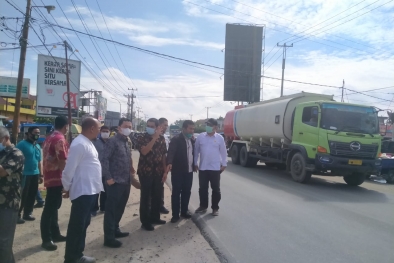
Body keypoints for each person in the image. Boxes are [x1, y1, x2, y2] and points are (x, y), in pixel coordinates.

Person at [62, 117, 103, 263]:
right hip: (82, 191)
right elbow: (69, 169)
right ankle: (71, 258)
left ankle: (78, 254)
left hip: (91, 190)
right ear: (91, 128)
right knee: (77, 225)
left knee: (84, 224)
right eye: (98, 128)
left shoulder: (88, 142)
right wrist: (66, 187)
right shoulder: (79, 144)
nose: (99, 131)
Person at [102, 118, 135, 248]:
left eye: (130, 126)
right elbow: (104, 160)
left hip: (125, 180)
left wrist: (130, 169)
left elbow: (126, 158)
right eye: (126, 126)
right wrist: (108, 177)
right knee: (111, 210)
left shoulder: (126, 142)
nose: (128, 129)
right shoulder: (112, 141)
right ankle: (109, 238)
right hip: (115, 182)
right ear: (119, 128)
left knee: (120, 208)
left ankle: (115, 229)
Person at [40, 116, 69, 251]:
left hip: (49, 176)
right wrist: (68, 179)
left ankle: (55, 233)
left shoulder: (49, 137)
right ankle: (46, 239)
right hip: (56, 177)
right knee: (50, 208)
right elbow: (63, 161)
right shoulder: (59, 139)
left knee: (54, 207)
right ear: (66, 126)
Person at [137, 118, 167, 231]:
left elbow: (164, 155)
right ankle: (145, 221)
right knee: (146, 198)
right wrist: (154, 138)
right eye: (148, 125)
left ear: (158, 127)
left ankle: (155, 217)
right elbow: (144, 151)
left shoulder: (162, 139)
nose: (149, 128)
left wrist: (165, 172)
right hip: (145, 172)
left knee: (157, 197)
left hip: (158, 172)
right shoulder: (141, 137)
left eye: (152, 126)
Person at [0, 127, 25, 263]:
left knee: (4, 242)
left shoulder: (16, 154)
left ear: (6, 139)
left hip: (9, 202)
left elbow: (2, 172)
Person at [194, 118, 227, 216]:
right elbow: (196, 151)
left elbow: (224, 152)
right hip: (203, 167)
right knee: (203, 188)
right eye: (207, 125)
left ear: (215, 127)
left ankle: (215, 208)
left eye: (210, 125)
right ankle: (203, 206)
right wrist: (195, 163)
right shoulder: (200, 137)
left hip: (215, 168)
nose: (207, 127)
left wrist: (224, 164)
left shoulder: (219, 138)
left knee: (216, 189)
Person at [166, 120, 195, 223]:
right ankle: (175, 215)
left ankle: (184, 211)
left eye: (193, 128)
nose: (192, 131)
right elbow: (171, 152)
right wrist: (169, 162)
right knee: (176, 192)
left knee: (187, 192)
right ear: (184, 128)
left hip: (189, 171)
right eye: (190, 128)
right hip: (178, 171)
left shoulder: (192, 140)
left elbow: (193, 154)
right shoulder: (176, 139)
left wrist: (195, 165)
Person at [16, 126, 43, 224]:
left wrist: (41, 175)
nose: (37, 135)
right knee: (23, 195)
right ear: (29, 133)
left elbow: (39, 161)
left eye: (38, 133)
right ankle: (17, 215)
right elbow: (15, 158)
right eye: (35, 132)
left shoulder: (37, 146)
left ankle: (27, 213)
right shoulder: (22, 144)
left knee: (32, 194)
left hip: (35, 173)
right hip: (25, 174)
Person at [91, 125, 110, 216]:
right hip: (96, 171)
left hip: (107, 171)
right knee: (95, 191)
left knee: (105, 191)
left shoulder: (111, 143)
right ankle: (94, 209)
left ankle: (103, 207)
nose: (105, 133)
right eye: (104, 131)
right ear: (100, 132)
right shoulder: (95, 143)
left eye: (107, 131)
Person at [158, 117, 170, 215]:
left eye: (167, 125)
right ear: (160, 125)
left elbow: (167, 153)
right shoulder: (154, 136)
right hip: (155, 166)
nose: (166, 127)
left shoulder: (165, 137)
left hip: (164, 165)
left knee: (161, 186)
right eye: (165, 125)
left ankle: (160, 205)